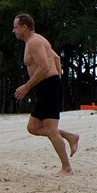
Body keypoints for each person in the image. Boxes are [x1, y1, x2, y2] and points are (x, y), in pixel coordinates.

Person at [10, 14, 80, 175]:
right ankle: (70, 136)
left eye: (15, 27)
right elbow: (55, 57)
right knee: (33, 127)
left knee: (50, 129)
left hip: (49, 87)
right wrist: (57, 80)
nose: (13, 30)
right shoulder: (34, 41)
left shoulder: (34, 42)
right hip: (47, 87)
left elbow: (44, 67)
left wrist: (28, 86)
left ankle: (67, 168)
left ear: (24, 27)